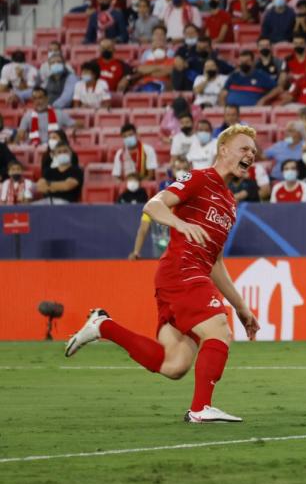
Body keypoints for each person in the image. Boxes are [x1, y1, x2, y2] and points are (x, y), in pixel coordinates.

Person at [64, 125, 260, 423]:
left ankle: (104, 327)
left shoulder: (230, 204)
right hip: (181, 270)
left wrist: (242, 307)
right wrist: (179, 224)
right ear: (224, 150)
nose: (251, 155)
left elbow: (215, 261)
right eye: (244, 148)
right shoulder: (199, 178)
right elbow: (153, 205)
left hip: (191, 274)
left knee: (174, 365)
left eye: (254, 152)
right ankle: (200, 409)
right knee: (219, 330)